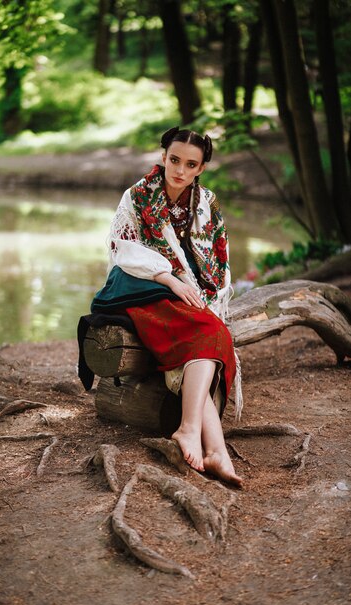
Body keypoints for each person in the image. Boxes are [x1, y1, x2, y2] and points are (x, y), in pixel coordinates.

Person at [90, 127, 243, 487]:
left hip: (188, 291)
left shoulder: (207, 203)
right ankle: (193, 432)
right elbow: (121, 248)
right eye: (174, 160)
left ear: (200, 168)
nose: (179, 170)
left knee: (209, 332)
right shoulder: (138, 196)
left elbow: (220, 259)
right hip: (139, 285)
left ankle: (215, 449)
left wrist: (206, 296)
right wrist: (170, 278)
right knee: (210, 333)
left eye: (190, 164)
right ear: (163, 157)